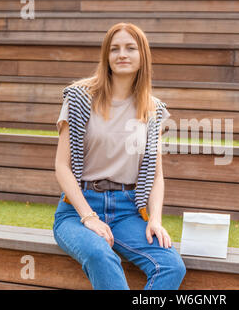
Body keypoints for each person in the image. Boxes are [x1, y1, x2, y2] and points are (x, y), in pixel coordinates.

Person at [53, 22, 186, 290]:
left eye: (130, 48)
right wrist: (89, 217)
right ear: (106, 56)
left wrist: (156, 220)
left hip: (127, 211)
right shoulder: (80, 98)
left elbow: (156, 175)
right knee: (99, 253)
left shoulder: (154, 110)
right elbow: (62, 166)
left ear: (142, 56)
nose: (122, 54)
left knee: (171, 266)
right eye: (114, 49)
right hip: (78, 210)